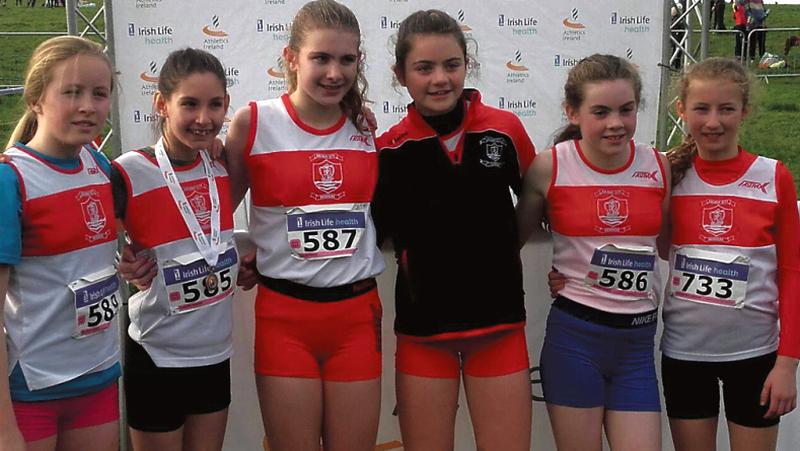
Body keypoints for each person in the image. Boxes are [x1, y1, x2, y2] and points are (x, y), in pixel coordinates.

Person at [223, 1, 385, 450]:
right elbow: (213, 216)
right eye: (321, 58)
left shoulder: (366, 128)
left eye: (346, 60)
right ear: (291, 58)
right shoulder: (254, 123)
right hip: (284, 319)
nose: (335, 72)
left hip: (355, 317)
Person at [371, 10, 536, 451]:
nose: (440, 78)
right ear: (400, 74)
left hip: (498, 328)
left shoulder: (505, 130)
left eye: (451, 65)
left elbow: (541, 205)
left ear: (467, 65)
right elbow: (367, 233)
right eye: (424, 68)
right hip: (424, 335)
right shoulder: (387, 149)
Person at [516, 54, 670, 451]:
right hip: (575, 340)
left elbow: (669, 246)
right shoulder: (549, 168)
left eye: (626, 109)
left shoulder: (659, 165)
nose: (616, 123)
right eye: (600, 112)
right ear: (573, 112)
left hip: (637, 345)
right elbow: (511, 241)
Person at [662, 57, 799, 451]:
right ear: (681, 111)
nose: (713, 122)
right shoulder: (668, 174)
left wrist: (788, 362)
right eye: (701, 109)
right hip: (685, 354)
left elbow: (792, 270)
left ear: (745, 111)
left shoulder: (773, 176)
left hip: (756, 355)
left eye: (727, 109)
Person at [110, 48, 236, 451]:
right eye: (190, 104)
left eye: (214, 105)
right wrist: (121, 263)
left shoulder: (221, 165)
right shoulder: (127, 171)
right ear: (162, 104)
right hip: (156, 353)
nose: (204, 118)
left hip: (214, 354)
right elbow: (92, 247)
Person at [0, 35, 120, 451]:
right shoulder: (10, 180)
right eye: (71, 92)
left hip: (99, 378)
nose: (88, 105)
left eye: (99, 94)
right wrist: (3, 426)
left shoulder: (100, 165)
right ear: (35, 99)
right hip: (32, 390)